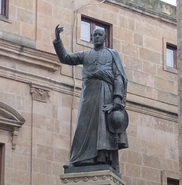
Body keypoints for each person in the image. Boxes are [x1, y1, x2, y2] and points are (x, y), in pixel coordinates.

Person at [53, 23, 128, 173]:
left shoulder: (112, 53)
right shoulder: (86, 55)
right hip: (89, 93)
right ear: (91, 38)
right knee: (84, 124)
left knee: (103, 126)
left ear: (105, 38)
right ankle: (80, 158)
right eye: (94, 35)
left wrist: (117, 99)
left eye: (100, 35)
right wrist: (57, 40)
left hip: (106, 93)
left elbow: (119, 76)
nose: (97, 37)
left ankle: (101, 157)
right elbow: (66, 58)